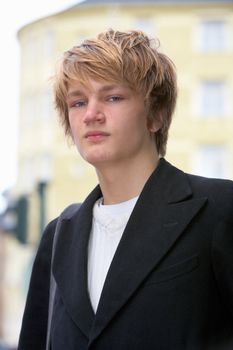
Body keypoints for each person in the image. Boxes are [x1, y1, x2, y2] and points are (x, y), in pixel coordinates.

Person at [18, 29, 233, 350]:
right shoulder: (59, 235)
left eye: (113, 97)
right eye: (77, 102)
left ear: (156, 114)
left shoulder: (219, 209)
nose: (91, 114)